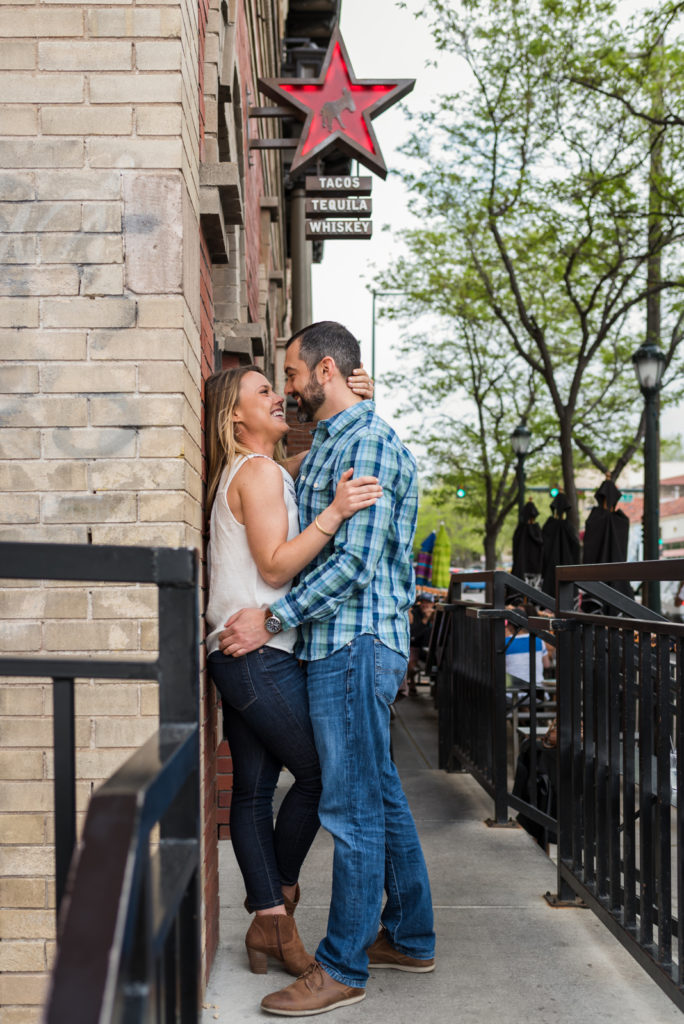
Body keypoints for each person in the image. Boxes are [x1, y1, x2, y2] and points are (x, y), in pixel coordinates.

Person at [219, 321, 436, 1017]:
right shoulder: (336, 441)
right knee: (379, 796)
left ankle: (340, 966)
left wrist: (274, 618)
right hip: (338, 644)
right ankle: (409, 933)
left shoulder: (364, 441)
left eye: (290, 373)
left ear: (325, 372)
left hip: (352, 642)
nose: (286, 387)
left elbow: (354, 562)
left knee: (348, 806)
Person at [204, 361, 380, 979]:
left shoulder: (271, 472)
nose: (278, 397)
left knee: (252, 792)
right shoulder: (254, 473)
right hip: (256, 656)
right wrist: (333, 515)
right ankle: (276, 912)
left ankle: (268, 921)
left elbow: (326, 448)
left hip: (249, 655)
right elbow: (276, 569)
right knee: (319, 774)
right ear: (235, 416)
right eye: (262, 392)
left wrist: (356, 399)